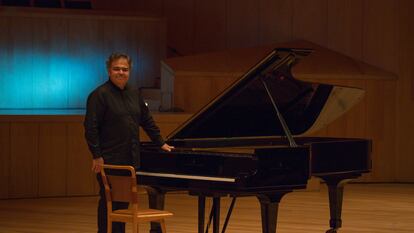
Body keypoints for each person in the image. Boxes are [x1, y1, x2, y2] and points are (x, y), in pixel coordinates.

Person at [84, 52, 173, 233]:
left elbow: (146, 120)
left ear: (130, 71)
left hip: (129, 158)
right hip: (109, 160)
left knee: (122, 204)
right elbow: (90, 128)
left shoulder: (134, 93)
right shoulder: (99, 95)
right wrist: (97, 156)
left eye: (125, 69)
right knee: (111, 203)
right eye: (116, 68)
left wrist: (160, 142)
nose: (121, 72)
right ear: (109, 71)